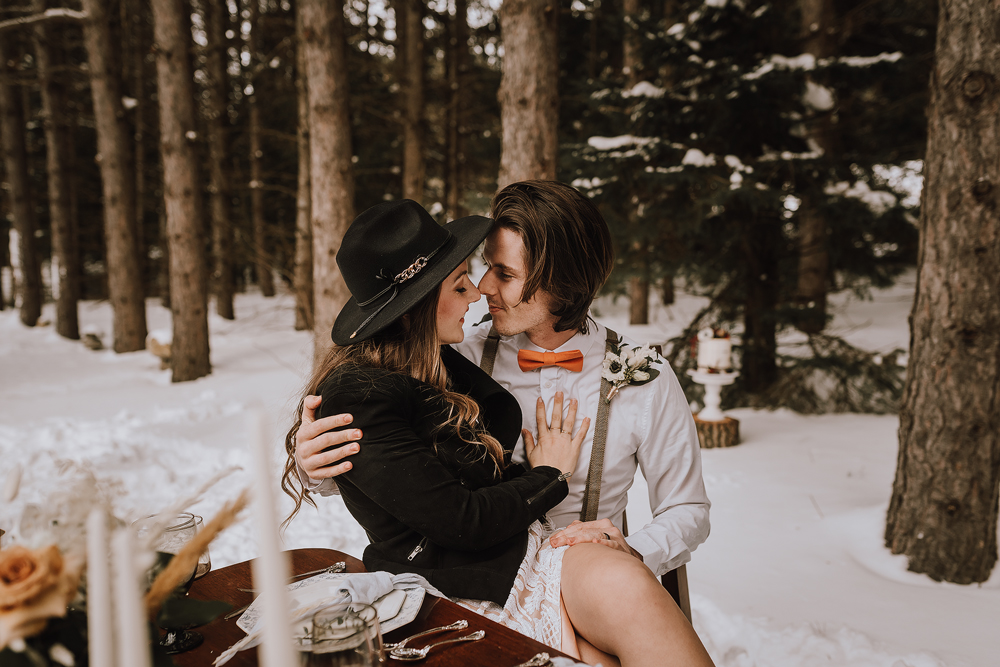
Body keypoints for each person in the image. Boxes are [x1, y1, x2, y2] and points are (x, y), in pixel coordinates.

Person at [282, 199, 715, 667]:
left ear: (563, 283)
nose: (484, 287)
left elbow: (688, 508)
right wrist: (316, 464)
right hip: (480, 573)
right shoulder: (454, 353)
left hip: (596, 577)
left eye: (504, 274)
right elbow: (395, 460)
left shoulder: (644, 378)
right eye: (484, 268)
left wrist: (632, 551)